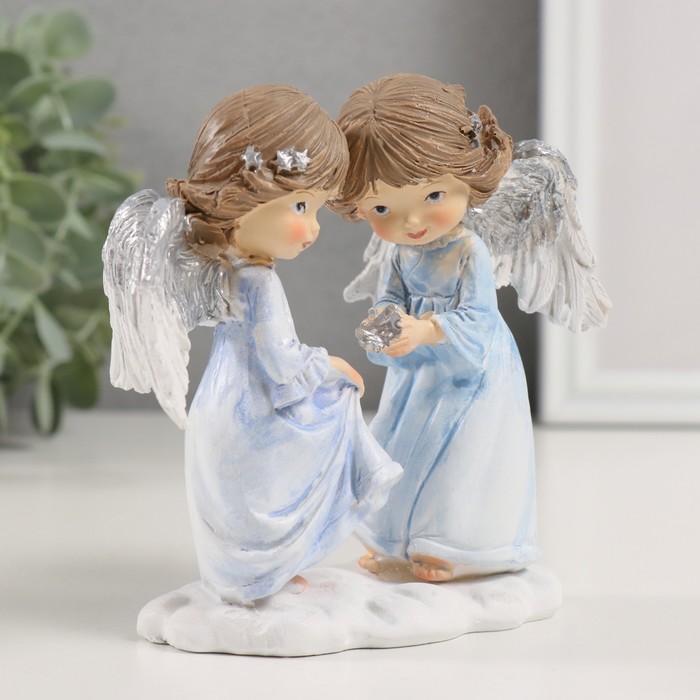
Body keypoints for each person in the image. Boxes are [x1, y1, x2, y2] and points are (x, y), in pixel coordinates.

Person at [103, 85, 402, 605]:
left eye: (317, 210)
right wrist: (330, 365)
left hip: (224, 402)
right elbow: (282, 364)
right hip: (252, 411)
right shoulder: (257, 282)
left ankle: (253, 574)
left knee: (245, 496)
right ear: (244, 202)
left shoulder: (233, 268)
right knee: (337, 406)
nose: (312, 229)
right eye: (301, 206)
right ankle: (260, 573)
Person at [332, 73, 539, 582]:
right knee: (400, 445)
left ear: (466, 180)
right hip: (419, 374)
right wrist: (383, 330)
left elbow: (480, 318)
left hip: (469, 374)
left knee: (456, 456)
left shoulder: (469, 250)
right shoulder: (400, 253)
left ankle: (448, 545)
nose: (411, 222)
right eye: (383, 208)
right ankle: (393, 540)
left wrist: (427, 331)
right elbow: (389, 300)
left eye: (434, 196)